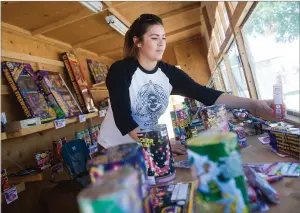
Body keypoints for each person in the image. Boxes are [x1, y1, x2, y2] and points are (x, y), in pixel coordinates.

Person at [98, 13, 285, 155]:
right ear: (137, 41)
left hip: (147, 147)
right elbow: (124, 120)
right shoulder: (120, 70)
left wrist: (255, 104)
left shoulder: (169, 73)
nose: (161, 43)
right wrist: (161, 144)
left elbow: (205, 94)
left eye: (164, 38)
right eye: (154, 38)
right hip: (115, 149)